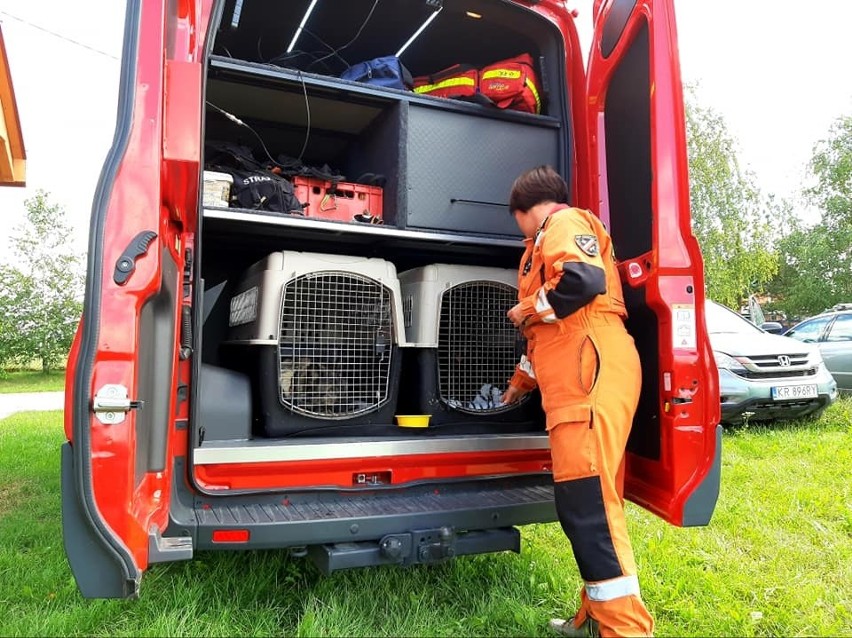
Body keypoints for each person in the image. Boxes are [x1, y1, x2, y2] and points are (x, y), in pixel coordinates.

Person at [501, 166, 654, 637]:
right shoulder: (544, 243)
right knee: (592, 503)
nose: (520, 230)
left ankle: (624, 630)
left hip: (589, 371)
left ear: (526, 211)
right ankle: (597, 616)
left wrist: (525, 308)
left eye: (517, 220)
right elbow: (548, 335)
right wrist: (519, 383)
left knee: (587, 504)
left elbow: (582, 283)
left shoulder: (563, 225)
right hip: (580, 368)